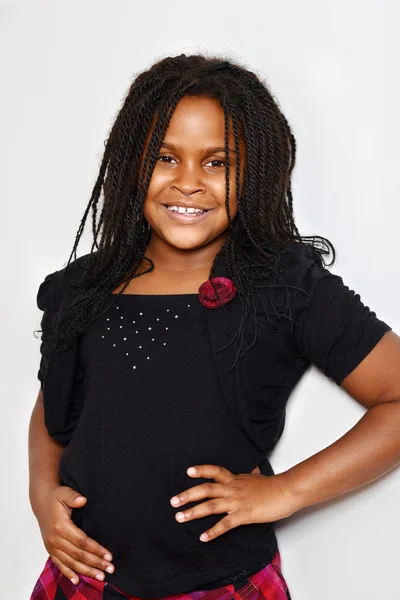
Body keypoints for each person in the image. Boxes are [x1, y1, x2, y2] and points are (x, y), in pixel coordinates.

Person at [29, 53, 399, 600]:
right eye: (166, 158)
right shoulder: (82, 288)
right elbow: (54, 405)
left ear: (253, 172)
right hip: (85, 581)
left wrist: (286, 491)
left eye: (216, 163)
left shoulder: (284, 287)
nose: (189, 184)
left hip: (220, 585)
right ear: (133, 162)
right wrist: (42, 492)